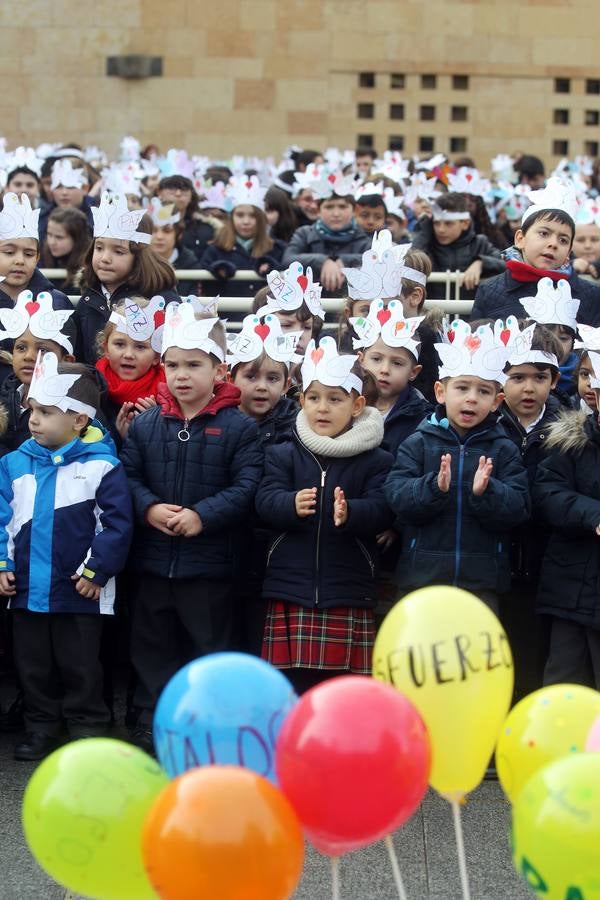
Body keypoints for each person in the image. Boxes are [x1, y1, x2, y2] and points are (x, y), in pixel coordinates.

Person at [120, 300, 263, 751]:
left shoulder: (239, 428)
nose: (182, 375)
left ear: (219, 370)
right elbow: (127, 475)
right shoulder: (146, 425)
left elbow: (248, 485)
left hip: (209, 564)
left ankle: (209, 720)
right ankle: (152, 714)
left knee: (209, 643)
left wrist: (203, 515)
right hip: (154, 560)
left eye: (194, 365)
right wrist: (148, 509)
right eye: (173, 365)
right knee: (151, 641)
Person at [0, 353, 133, 760]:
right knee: (34, 665)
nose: (34, 419)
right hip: (26, 589)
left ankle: (87, 726)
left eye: (46, 411)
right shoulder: (13, 463)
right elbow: (2, 517)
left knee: (81, 664)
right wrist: (3, 564)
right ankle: (41, 726)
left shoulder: (102, 467)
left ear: (79, 420)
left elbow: (116, 525)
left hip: (80, 590)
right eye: (32, 410)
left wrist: (96, 571)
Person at [255, 337, 393, 693]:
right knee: (290, 687)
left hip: (347, 588)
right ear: (300, 401)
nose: (323, 408)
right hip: (290, 586)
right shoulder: (283, 453)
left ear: (358, 405)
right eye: (314, 398)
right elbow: (264, 499)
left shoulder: (378, 459)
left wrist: (352, 513)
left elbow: (383, 508)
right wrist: (289, 505)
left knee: (344, 690)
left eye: (335, 399)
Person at [384, 319, 530, 612]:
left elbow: (520, 507)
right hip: (421, 580)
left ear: (497, 401)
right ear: (440, 392)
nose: (471, 398)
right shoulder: (419, 442)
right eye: (462, 388)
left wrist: (486, 493)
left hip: (481, 585)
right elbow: (396, 497)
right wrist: (433, 488)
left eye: (484, 392)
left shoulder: (503, 448)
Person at [497, 321, 563, 698]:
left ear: (553, 381)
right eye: (517, 376)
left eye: (539, 377)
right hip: (495, 561)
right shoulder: (487, 425)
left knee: (531, 663)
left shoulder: (567, 428)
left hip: (542, 565)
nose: (528, 387)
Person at [533, 347, 600, 688]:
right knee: (564, 684)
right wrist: (593, 515)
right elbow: (548, 493)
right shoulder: (572, 440)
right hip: (570, 589)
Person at [472, 178, 600, 327]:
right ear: (520, 238)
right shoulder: (489, 291)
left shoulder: (591, 295)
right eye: (544, 234)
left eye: (563, 240)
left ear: (569, 251)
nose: (553, 244)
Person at [73, 192, 178, 364]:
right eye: (99, 248)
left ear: (138, 256)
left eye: (118, 251)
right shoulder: (88, 298)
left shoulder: (160, 298)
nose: (105, 258)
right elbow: (81, 357)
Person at [0, 291, 78, 453]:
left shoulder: (75, 409)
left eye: (42, 350)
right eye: (21, 348)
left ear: (66, 361)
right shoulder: (3, 397)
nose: (29, 356)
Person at [353, 299, 432, 455]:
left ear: (413, 372)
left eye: (397, 363)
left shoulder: (422, 418)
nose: (384, 370)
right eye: (376, 359)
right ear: (361, 360)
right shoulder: (345, 404)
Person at [283, 167, 370, 293]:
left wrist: (343, 261)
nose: (336, 213)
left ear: (354, 210)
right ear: (318, 210)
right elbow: (288, 259)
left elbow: (375, 260)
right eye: (329, 207)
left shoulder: (365, 237)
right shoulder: (304, 233)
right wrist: (323, 261)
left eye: (342, 207)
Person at [199, 176, 286, 297]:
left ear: (261, 219)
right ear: (231, 217)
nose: (246, 221)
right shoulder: (215, 250)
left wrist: (273, 267)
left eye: (252, 216)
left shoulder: (276, 249)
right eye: (240, 215)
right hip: (227, 313)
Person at [95, 295, 165, 444]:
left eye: (140, 346)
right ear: (106, 348)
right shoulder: (92, 389)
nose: (128, 355)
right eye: (120, 344)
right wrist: (118, 437)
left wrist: (155, 424)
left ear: (156, 356)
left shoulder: (170, 394)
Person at [410, 191, 504, 300]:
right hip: (434, 313)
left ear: (465, 223)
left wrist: (482, 262)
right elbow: (412, 261)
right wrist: (425, 231)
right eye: (436, 223)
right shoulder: (427, 244)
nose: (441, 229)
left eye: (448, 223)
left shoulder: (479, 243)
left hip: (470, 314)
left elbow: (507, 263)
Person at [0, 192, 73, 315]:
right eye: (9, 252)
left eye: (29, 254)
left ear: (37, 257)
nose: (20, 261)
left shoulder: (56, 303)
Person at [157, 174, 217, 263]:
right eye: (172, 188)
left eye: (184, 189)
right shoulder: (148, 224)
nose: (178, 193)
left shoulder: (205, 228)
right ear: (159, 193)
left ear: (191, 195)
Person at [147, 199, 202, 295]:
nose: (159, 236)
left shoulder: (191, 264)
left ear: (179, 234)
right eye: (153, 230)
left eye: (167, 230)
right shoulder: (134, 262)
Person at [38, 159, 96, 244]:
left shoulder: (97, 219)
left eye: (70, 187)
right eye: (58, 187)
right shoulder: (41, 219)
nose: (64, 192)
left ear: (85, 188)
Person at [39, 207, 91, 294]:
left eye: (59, 237)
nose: (52, 242)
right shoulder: (40, 255)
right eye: (49, 234)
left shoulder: (89, 265)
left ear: (77, 239)